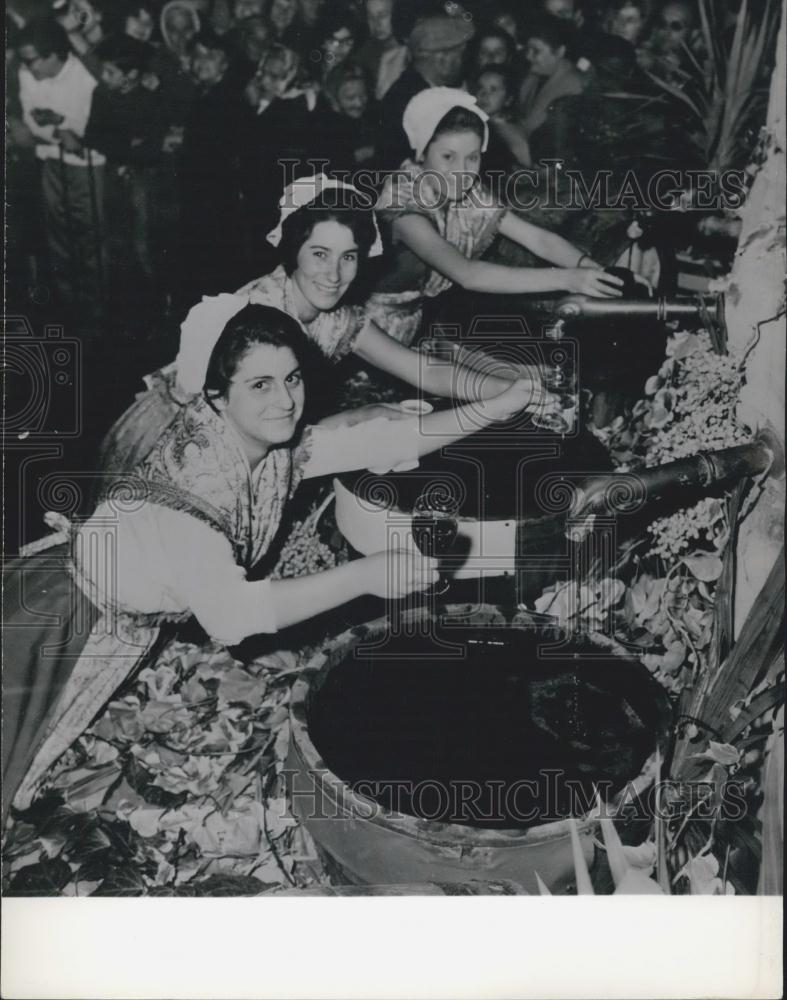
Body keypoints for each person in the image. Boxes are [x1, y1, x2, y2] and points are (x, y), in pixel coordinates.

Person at [3, 301, 539, 819]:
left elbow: (383, 438)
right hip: (61, 627)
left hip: (109, 621)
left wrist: (493, 408)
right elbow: (232, 617)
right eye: (260, 384)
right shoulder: (195, 494)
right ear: (216, 395)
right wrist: (366, 574)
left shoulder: (253, 443)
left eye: (293, 378)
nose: (285, 400)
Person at [99, 174, 540, 476]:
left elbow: (425, 370)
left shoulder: (335, 316)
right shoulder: (259, 319)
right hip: (179, 446)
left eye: (348, 257)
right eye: (319, 254)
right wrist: (361, 417)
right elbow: (251, 442)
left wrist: (508, 389)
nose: (334, 274)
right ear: (292, 252)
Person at [369, 87, 623, 348]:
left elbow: (538, 239)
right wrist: (568, 278)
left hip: (413, 327)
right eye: (448, 157)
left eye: (472, 158)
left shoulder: (465, 191)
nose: (461, 171)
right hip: (369, 335)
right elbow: (467, 274)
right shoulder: (402, 205)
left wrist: (601, 274)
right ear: (421, 153)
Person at [16, 18, 107, 320]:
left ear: (54, 55)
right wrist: (59, 131)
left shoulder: (84, 77)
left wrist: (62, 126)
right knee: (58, 236)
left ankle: (97, 307)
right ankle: (71, 306)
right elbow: (32, 120)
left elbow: (87, 128)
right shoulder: (27, 74)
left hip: (88, 165)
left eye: (33, 61)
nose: (28, 69)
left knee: (90, 236)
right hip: (52, 160)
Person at [376, 13, 475, 169]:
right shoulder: (419, 102)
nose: (462, 62)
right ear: (442, 60)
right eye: (460, 56)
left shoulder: (410, 89)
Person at [517, 15, 585, 143]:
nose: (528, 56)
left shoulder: (571, 85)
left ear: (559, 52)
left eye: (536, 51)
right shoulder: (535, 76)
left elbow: (529, 129)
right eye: (528, 49)